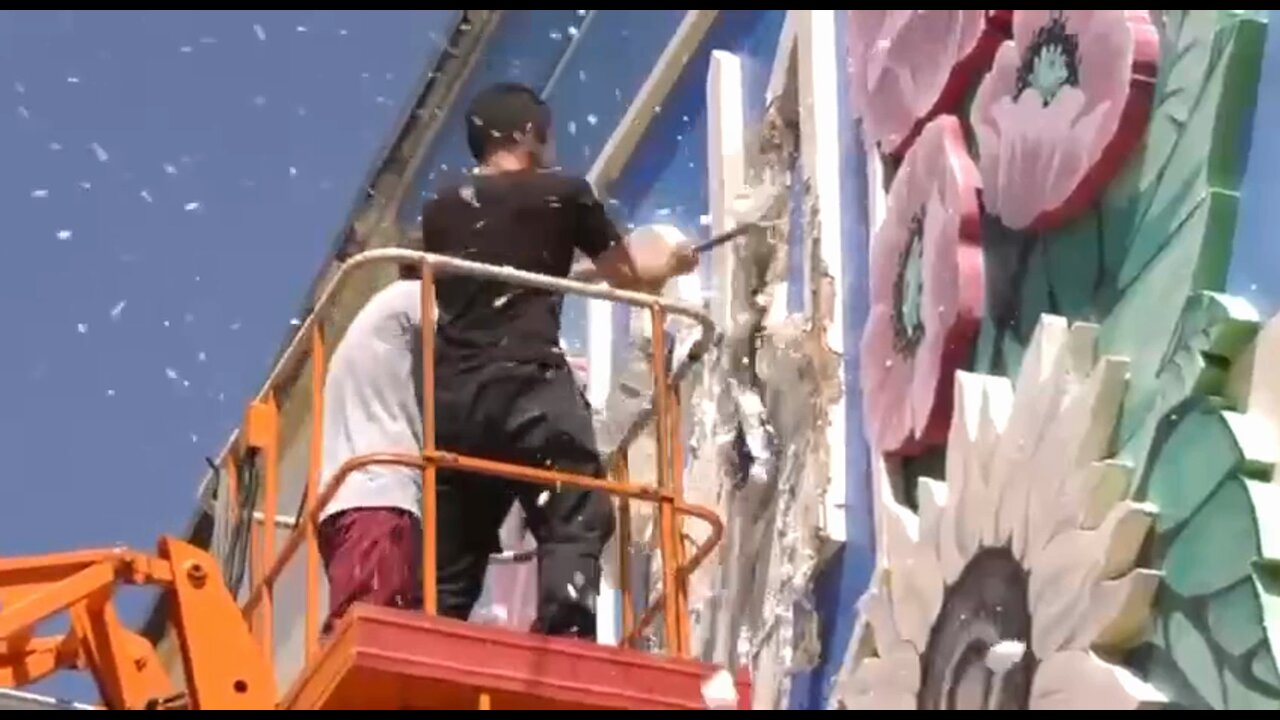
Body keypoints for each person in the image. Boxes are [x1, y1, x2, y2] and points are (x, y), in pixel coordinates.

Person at [418, 81, 697, 639]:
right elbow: (625, 274)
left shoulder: (442, 209)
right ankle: (565, 633)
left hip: (454, 401)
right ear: (524, 133)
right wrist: (673, 259)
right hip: (526, 384)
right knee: (575, 507)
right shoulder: (562, 194)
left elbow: (504, 270)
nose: (552, 147)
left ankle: (430, 635)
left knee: (455, 544)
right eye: (545, 133)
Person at [315, 265, 429, 637]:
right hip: (379, 501)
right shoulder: (412, 298)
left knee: (368, 624)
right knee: (379, 633)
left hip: (350, 507)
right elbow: (484, 326)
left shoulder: (375, 320)